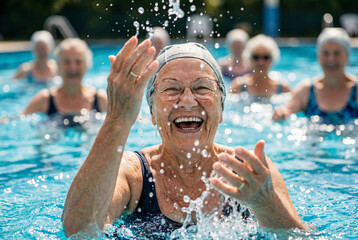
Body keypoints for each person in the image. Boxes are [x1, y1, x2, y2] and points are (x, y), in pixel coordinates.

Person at [61, 37, 307, 238]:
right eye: (171, 89)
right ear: (153, 113)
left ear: (221, 110)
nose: (188, 101)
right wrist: (117, 119)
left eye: (202, 88)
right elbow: (80, 232)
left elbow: (299, 236)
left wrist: (266, 205)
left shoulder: (248, 172)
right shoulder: (133, 173)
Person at [273, 28, 357, 124]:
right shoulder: (306, 90)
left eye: (337, 53)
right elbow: (285, 112)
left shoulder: (356, 90)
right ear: (318, 56)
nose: (331, 59)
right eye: (326, 53)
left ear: (347, 56)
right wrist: (279, 114)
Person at [23, 38, 107, 126]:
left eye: (78, 62)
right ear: (58, 66)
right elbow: (20, 123)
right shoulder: (45, 99)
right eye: (67, 62)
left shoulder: (100, 99)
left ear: (86, 65)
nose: (73, 67)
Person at [230, 34, 290, 101]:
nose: (261, 62)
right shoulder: (239, 86)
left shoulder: (283, 88)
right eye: (256, 57)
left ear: (272, 59)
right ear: (249, 59)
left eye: (266, 57)